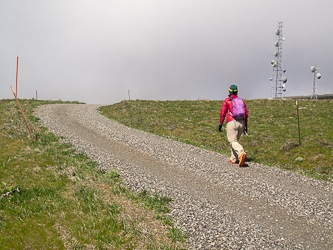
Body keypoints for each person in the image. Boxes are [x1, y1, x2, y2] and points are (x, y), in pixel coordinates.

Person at [218, 85, 248, 167]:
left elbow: (223, 113)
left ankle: (241, 152)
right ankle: (233, 159)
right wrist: (246, 126)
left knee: (233, 141)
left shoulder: (227, 101)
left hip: (232, 122)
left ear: (229, 92)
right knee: (235, 141)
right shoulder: (241, 101)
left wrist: (220, 123)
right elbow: (246, 114)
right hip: (242, 123)